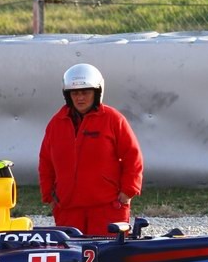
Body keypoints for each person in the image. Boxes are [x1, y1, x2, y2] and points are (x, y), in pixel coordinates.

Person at [38, 63, 144, 235]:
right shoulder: (56, 123)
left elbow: (132, 156)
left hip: (107, 209)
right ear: (68, 95)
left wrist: (128, 191)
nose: (80, 98)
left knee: (109, 258)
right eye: (75, 93)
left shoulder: (113, 119)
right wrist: (49, 196)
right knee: (72, 258)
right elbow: (45, 161)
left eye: (85, 92)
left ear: (97, 93)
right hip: (68, 209)